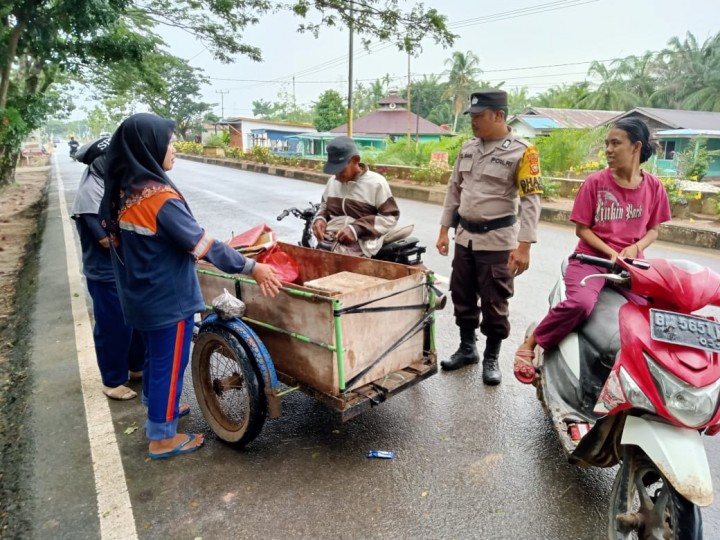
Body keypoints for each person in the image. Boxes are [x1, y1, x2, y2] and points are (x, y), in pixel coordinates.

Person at [100, 113, 282, 460]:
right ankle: (162, 437)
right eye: (168, 142)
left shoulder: (123, 190)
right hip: (167, 298)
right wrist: (251, 267)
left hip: (140, 295)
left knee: (157, 359)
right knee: (170, 366)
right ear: (148, 147)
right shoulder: (158, 199)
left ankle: (158, 409)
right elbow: (204, 246)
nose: (174, 149)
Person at [513, 118, 671, 383]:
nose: (608, 150)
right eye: (607, 144)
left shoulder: (654, 187)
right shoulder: (595, 183)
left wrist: (635, 247)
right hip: (590, 261)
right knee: (580, 304)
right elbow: (582, 230)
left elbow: (653, 230)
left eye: (615, 143)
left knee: (656, 314)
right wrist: (610, 251)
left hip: (631, 267)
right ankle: (530, 344)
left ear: (636, 147)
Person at [436, 89, 543, 384]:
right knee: (462, 294)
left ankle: (492, 356)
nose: (474, 122)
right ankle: (467, 348)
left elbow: (531, 201)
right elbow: (454, 190)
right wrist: (444, 230)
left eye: (480, 116)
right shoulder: (468, 148)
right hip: (464, 237)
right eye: (472, 116)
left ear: (498, 115)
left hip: (498, 241)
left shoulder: (522, 151)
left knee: (495, 301)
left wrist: (524, 246)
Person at [72, 136, 145, 400]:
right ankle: (113, 381)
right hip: (105, 275)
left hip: (125, 271)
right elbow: (106, 240)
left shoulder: (110, 185)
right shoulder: (91, 192)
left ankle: (136, 367)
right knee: (114, 327)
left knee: (136, 323)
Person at [311, 136, 400, 257]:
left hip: (363, 243)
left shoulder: (376, 183)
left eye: (341, 170)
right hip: (331, 239)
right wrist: (320, 218)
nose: (336, 176)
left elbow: (390, 217)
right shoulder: (332, 182)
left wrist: (357, 229)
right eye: (334, 171)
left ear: (355, 160)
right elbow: (324, 207)